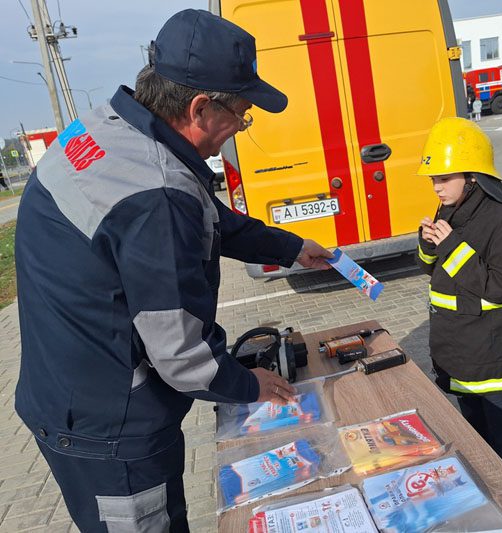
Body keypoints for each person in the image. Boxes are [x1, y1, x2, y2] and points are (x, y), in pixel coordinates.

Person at [14, 9, 333, 532]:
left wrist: (290, 245)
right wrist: (249, 385)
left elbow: (202, 217)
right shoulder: (156, 193)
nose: (238, 130)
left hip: (69, 394)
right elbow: (183, 356)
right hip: (112, 430)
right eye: (242, 116)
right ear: (201, 107)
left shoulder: (108, 129)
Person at [416, 117, 502, 472]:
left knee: (499, 434)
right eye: (434, 179)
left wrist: (451, 245)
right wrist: (428, 244)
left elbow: (498, 287)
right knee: (472, 433)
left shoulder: (501, 221)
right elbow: (430, 267)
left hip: (488, 350)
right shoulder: (451, 208)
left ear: (473, 176)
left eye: (444, 179)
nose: (436, 188)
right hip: (457, 346)